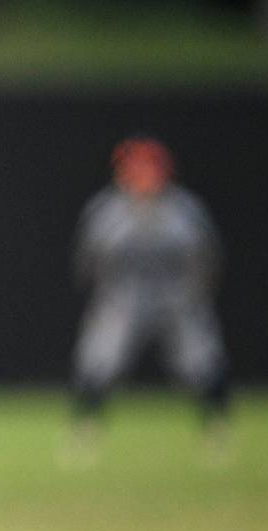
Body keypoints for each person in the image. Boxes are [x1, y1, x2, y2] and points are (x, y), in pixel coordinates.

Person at [69, 135, 230, 456]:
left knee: (201, 357)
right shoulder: (108, 211)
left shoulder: (184, 210)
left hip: (177, 297)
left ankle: (218, 428)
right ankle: (85, 429)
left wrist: (194, 294)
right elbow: (88, 257)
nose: (141, 175)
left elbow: (206, 257)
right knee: (100, 357)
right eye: (134, 168)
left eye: (147, 167)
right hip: (123, 296)